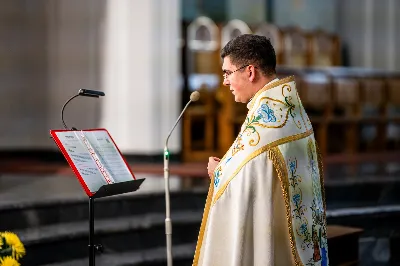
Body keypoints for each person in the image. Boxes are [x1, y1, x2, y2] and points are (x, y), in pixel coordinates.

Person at [192, 34, 329, 266]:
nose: (225, 82)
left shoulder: (267, 120)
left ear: (250, 72)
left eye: (227, 73)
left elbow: (245, 175)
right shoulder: (289, 107)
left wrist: (218, 172)